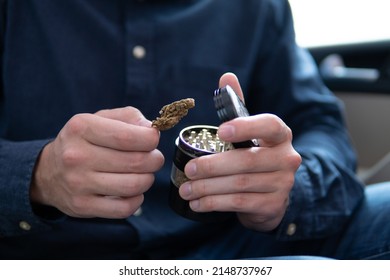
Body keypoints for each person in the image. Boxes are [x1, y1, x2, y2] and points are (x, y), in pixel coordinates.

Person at [0, 0, 389, 260]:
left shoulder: (256, 8)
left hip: (229, 246)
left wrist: (286, 190)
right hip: (46, 254)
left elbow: (322, 127)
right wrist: (39, 175)